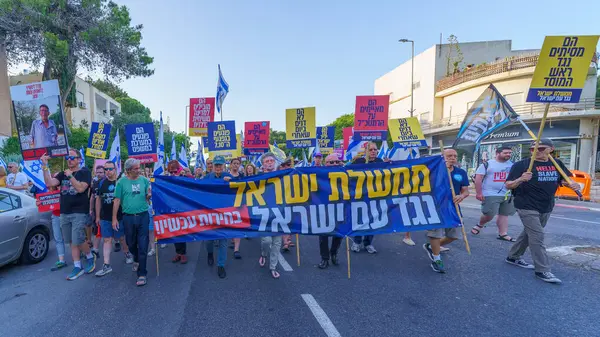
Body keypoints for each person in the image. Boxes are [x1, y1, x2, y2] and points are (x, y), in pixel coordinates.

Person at [504, 139, 579, 284]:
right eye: (533, 149)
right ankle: (543, 270)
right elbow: (508, 185)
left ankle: (513, 256)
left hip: (546, 205)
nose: (536, 151)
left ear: (551, 149)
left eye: (540, 148)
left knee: (529, 233)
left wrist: (572, 185)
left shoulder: (556, 163)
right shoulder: (522, 165)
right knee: (537, 236)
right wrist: (521, 179)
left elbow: (563, 180)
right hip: (526, 205)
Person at [41, 150, 94, 280]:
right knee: (70, 240)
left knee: (78, 239)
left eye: (72, 157)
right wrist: (44, 166)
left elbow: (81, 188)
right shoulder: (62, 174)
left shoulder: (84, 172)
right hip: (65, 212)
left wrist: (71, 176)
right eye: (67, 157)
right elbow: (50, 183)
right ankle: (77, 266)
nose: (69, 159)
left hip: (79, 211)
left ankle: (90, 256)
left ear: (79, 159)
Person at [423, 148, 469, 273]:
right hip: (435, 207)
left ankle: (431, 247)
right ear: (442, 157)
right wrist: (443, 171)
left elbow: (465, 190)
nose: (452, 158)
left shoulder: (461, 172)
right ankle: (436, 258)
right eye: (449, 156)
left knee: (454, 235)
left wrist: (462, 196)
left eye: (455, 156)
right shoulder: (434, 171)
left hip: (453, 209)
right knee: (435, 234)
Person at [113, 158, 152, 286]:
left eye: (139, 167)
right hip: (128, 217)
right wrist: (114, 218)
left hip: (143, 216)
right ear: (128, 170)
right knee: (131, 243)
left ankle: (142, 273)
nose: (139, 170)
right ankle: (136, 258)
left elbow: (148, 197)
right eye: (136, 168)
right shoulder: (121, 182)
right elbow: (117, 200)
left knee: (143, 244)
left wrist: (149, 195)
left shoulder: (145, 180)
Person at [94, 161, 133, 277]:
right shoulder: (102, 183)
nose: (107, 172)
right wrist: (97, 216)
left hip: (120, 216)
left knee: (121, 237)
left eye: (110, 169)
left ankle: (126, 253)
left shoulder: (121, 182)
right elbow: (98, 200)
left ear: (115, 169)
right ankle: (106, 265)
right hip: (105, 217)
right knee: (107, 239)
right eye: (105, 169)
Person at [472, 146, 516, 241]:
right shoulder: (487, 164)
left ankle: (503, 234)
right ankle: (480, 224)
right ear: (497, 153)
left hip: (508, 194)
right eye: (505, 153)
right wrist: (479, 193)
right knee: (489, 214)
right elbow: (478, 179)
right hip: (490, 193)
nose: (508, 155)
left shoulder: (512, 164)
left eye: (510, 153)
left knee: (504, 214)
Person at [350, 142, 383, 254]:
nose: (373, 151)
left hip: (375, 197)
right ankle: (357, 242)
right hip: (361, 197)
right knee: (360, 219)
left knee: (373, 220)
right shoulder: (358, 162)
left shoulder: (380, 162)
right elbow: (346, 173)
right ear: (365, 151)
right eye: (371, 149)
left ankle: (368, 243)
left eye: (375, 149)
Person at [204, 155, 232, 278]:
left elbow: (239, 189)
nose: (218, 167)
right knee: (209, 239)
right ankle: (210, 253)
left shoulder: (229, 177)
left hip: (224, 214)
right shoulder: (206, 178)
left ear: (224, 166)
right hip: (209, 213)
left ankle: (221, 265)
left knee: (223, 240)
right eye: (216, 165)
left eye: (220, 165)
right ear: (213, 166)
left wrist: (231, 183)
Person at [258, 153, 283, 278]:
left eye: (271, 160)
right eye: (267, 161)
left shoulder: (282, 176)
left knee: (277, 242)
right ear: (263, 164)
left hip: (279, 213)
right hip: (264, 213)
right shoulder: (258, 177)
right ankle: (263, 253)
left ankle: (273, 266)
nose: (269, 163)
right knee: (267, 240)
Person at [318, 154, 344, 269]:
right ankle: (324, 258)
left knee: (339, 234)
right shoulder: (318, 174)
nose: (334, 164)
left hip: (340, 208)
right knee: (323, 235)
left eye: (336, 162)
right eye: (331, 162)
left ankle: (334, 253)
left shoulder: (346, 174)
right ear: (325, 163)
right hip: (323, 209)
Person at [167, 160, 193, 263]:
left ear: (179, 170)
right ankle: (178, 252)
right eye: (171, 172)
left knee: (182, 231)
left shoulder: (184, 178)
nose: (173, 174)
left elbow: (193, 182)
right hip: (172, 209)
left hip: (183, 209)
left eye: (175, 171)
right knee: (174, 231)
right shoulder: (167, 181)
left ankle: (182, 254)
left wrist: (187, 173)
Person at [88, 165, 105, 258]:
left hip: (109, 210)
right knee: (98, 230)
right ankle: (95, 250)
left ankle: (118, 242)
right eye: (97, 172)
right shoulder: (95, 183)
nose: (99, 174)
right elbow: (92, 197)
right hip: (97, 210)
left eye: (101, 172)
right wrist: (91, 209)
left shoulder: (109, 182)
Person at [228, 158, 244, 259]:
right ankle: (232, 239)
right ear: (230, 164)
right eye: (234, 163)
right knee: (230, 225)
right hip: (227, 203)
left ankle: (236, 249)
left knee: (239, 225)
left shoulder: (242, 176)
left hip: (239, 204)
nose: (236, 165)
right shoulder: (225, 176)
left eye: (238, 164)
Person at [279, 157, 295, 252]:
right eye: (283, 165)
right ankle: (285, 242)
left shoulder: (294, 174)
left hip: (292, 200)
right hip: (280, 201)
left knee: (291, 222)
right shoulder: (277, 175)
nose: (286, 167)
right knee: (283, 221)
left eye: (288, 165)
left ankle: (288, 239)